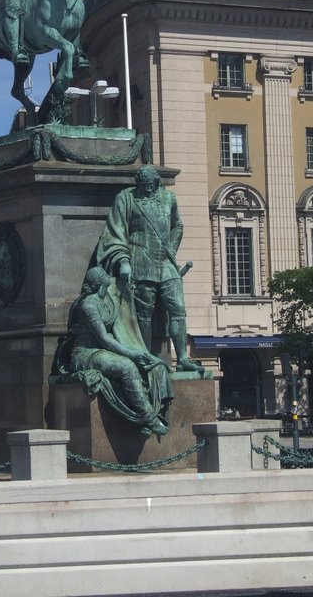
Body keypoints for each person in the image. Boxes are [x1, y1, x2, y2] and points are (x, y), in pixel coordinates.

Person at [96, 165, 205, 374]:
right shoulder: (126, 198)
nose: (146, 190)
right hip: (140, 261)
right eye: (142, 186)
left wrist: (172, 247)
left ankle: (182, 358)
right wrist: (123, 260)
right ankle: (145, 356)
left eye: (150, 186)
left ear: (157, 183)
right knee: (144, 314)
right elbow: (116, 231)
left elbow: (177, 225)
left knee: (178, 309)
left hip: (166, 263)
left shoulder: (169, 198)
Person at [60, 265, 172, 435]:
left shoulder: (108, 299)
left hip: (107, 350)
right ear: (100, 281)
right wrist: (132, 354)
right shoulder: (89, 305)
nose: (108, 276)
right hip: (86, 353)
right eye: (105, 275)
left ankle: (149, 416)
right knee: (126, 366)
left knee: (157, 366)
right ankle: (148, 418)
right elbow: (103, 338)